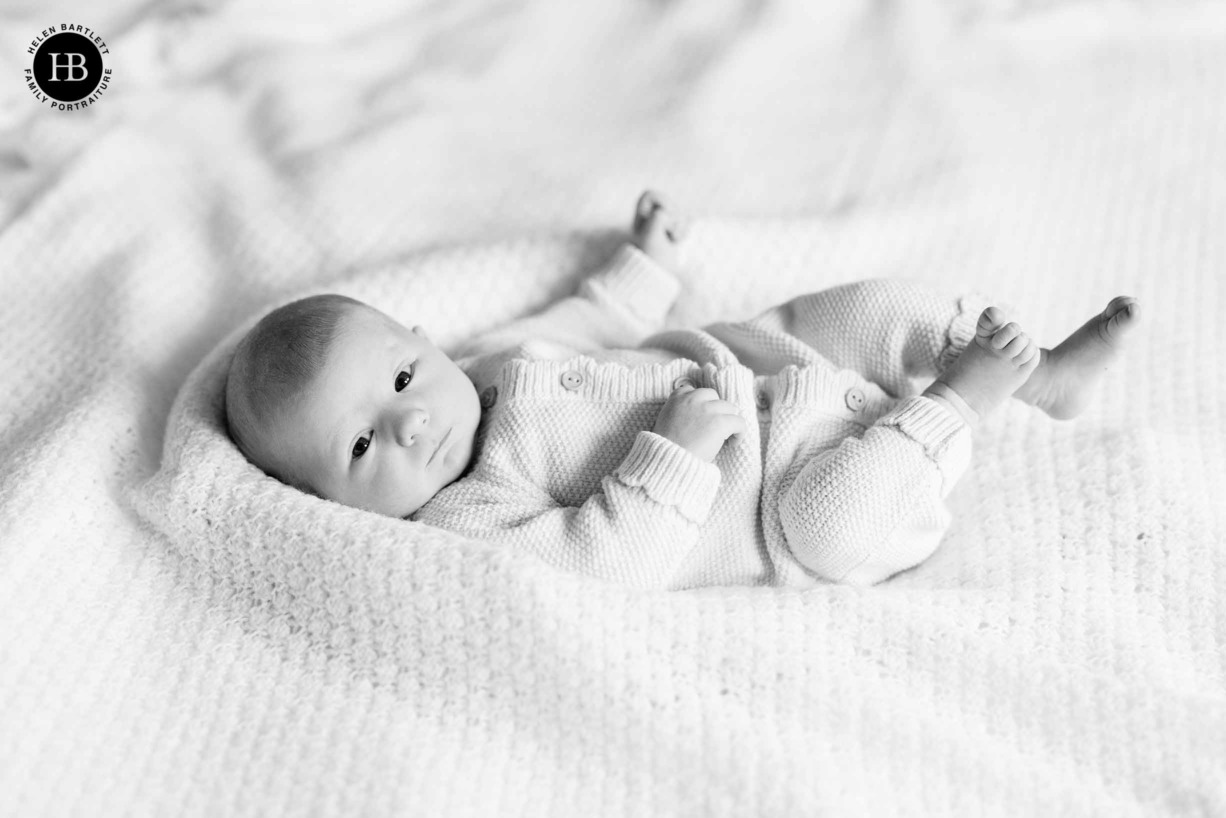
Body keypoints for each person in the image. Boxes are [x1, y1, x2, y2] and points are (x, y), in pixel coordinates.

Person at [225, 191, 1139, 589]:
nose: (411, 422)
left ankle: (1040, 373)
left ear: (424, 344)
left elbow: (596, 317)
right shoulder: (464, 518)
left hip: (762, 361)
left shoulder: (488, 360)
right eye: (359, 447)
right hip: (779, 499)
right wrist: (676, 453)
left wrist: (647, 264)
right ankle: (962, 401)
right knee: (836, 521)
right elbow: (598, 564)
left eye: (398, 378)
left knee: (860, 309)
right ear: (334, 507)